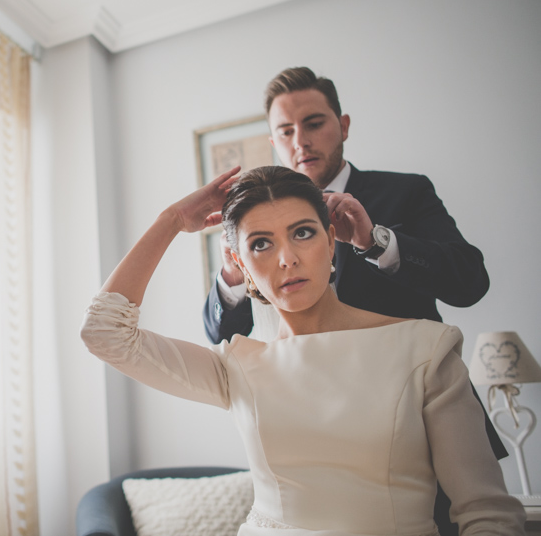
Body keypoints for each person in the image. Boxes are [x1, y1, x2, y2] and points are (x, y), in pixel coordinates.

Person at [81, 165, 525, 535]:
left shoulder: (425, 350)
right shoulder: (238, 365)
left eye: (303, 233)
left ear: (333, 241)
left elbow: (486, 514)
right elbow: (104, 333)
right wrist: (172, 220)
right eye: (261, 244)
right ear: (240, 264)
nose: (287, 258)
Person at [203, 67, 490, 345]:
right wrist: (232, 273)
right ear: (273, 143)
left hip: (418, 380)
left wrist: (374, 242)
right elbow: (221, 338)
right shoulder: (255, 226)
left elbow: (471, 284)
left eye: (314, 124)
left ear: (343, 126)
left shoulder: (407, 192)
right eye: (286, 132)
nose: (301, 141)